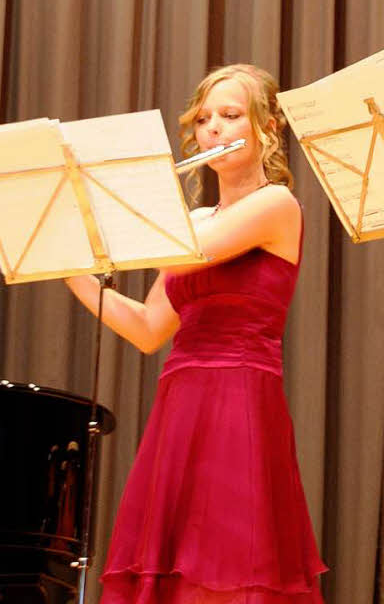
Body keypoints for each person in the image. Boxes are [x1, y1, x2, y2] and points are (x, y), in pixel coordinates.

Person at [65, 64, 327, 603]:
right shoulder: (194, 219)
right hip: (180, 403)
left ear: (267, 129)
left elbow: (192, 250)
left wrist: (116, 201)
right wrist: (67, 267)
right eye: (204, 119)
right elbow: (145, 328)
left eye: (231, 116)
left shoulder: (276, 205)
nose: (213, 129)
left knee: (232, 561)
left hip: (240, 399)